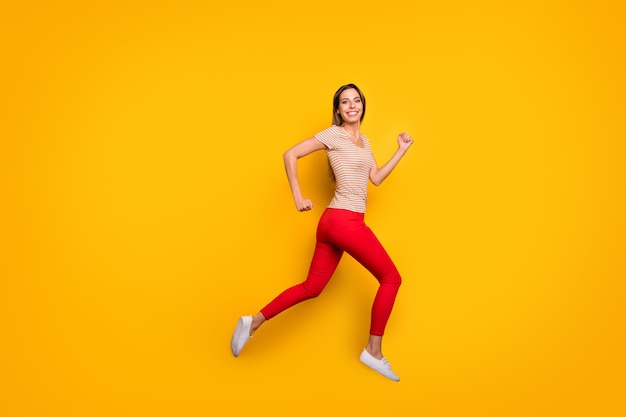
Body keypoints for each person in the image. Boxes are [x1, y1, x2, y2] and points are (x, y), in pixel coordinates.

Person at [230, 83, 413, 382]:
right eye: (345, 102)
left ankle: (252, 323)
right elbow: (290, 154)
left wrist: (400, 151)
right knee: (391, 279)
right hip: (344, 222)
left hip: (333, 223)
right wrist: (298, 197)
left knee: (312, 288)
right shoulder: (334, 134)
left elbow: (376, 179)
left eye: (356, 100)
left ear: (362, 106)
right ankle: (373, 351)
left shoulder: (364, 141)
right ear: (338, 109)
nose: (352, 105)